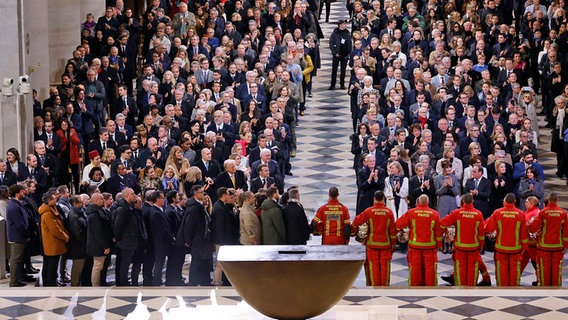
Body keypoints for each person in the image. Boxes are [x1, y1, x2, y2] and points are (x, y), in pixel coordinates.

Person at [351, 191, 397, 286]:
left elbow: (356, 221)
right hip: (386, 245)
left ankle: (374, 289)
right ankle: (384, 288)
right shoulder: (389, 212)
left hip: (372, 246)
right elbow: (392, 232)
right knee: (385, 268)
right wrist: (393, 245)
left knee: (373, 268)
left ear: (374, 199)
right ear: (383, 199)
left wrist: (355, 232)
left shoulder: (368, 211)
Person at [395, 195, 442, 286]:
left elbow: (397, 225)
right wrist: (439, 245)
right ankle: (430, 291)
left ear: (418, 202)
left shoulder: (411, 213)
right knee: (430, 271)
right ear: (428, 203)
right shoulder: (435, 214)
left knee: (415, 271)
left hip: (415, 248)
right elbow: (438, 233)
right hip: (430, 248)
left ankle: (414, 291)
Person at [484, 193, 529, 286]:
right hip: (516, 249)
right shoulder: (521, 214)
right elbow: (524, 233)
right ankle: (513, 289)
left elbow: (488, 228)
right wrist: (525, 247)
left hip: (501, 248)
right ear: (515, 201)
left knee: (502, 270)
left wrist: (487, 221)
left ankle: (502, 289)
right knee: (515, 271)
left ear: (504, 201)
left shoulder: (497, 212)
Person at [440, 194, 485, 286]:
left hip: (460, 248)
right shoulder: (478, 214)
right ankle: (471, 292)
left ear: (463, 201)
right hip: (473, 248)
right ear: (473, 201)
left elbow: (442, 223)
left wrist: (447, 233)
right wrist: (480, 246)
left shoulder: (457, 213)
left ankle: (460, 291)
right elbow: (481, 234)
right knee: (472, 270)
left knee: (460, 270)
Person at [527, 193, 568, 286]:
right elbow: (566, 232)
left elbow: (532, 228)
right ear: (557, 200)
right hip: (558, 246)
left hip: (544, 247)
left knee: (544, 269)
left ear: (548, 200)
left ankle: (545, 290)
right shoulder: (563, 213)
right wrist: (566, 246)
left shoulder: (543, 213)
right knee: (556, 270)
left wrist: (529, 225)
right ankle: (556, 289)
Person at [179, 185, 213, 286]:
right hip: (197, 239)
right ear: (195, 194)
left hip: (202, 238)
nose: (203, 194)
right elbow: (189, 226)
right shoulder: (194, 207)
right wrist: (188, 241)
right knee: (196, 261)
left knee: (202, 260)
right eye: (201, 192)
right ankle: (194, 281)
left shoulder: (199, 205)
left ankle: (203, 280)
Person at [113, 188, 145, 286]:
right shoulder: (122, 209)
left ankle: (123, 282)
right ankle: (123, 283)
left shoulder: (128, 207)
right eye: (132, 194)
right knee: (124, 265)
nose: (134, 195)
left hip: (129, 240)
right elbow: (118, 226)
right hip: (125, 241)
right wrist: (118, 238)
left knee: (125, 264)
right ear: (127, 196)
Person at [39, 190, 69, 287]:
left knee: (50, 263)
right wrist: (65, 237)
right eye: (53, 198)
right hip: (52, 243)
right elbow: (55, 229)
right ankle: (50, 283)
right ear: (49, 200)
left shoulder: (51, 210)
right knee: (51, 264)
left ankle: (51, 281)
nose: (56, 199)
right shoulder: (48, 213)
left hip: (52, 243)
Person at [211, 187, 238, 286]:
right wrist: (223, 243)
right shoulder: (219, 208)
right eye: (227, 194)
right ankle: (217, 282)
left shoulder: (222, 206)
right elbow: (219, 227)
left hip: (224, 240)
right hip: (221, 241)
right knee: (220, 264)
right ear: (223, 195)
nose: (229, 196)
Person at [6, 184, 31, 287]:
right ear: (17, 194)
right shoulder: (13, 206)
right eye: (22, 191)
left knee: (17, 258)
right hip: (17, 236)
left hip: (19, 235)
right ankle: (14, 281)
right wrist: (27, 233)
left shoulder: (16, 204)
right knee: (15, 259)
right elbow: (19, 224)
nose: (24, 192)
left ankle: (17, 278)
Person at [85, 193, 113, 287]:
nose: (103, 200)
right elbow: (98, 232)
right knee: (98, 266)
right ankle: (95, 286)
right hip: (97, 245)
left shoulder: (100, 210)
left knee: (101, 266)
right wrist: (105, 246)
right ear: (96, 201)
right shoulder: (94, 215)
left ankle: (101, 282)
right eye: (101, 199)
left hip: (102, 244)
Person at [66, 196, 88, 287]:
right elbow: (77, 233)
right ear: (74, 204)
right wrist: (85, 242)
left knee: (81, 267)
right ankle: (74, 285)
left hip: (81, 246)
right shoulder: (73, 215)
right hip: (77, 246)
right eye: (80, 202)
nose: (82, 203)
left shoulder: (80, 212)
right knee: (77, 268)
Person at [328, 20, 351, 90]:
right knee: (334, 70)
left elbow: (349, 43)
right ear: (339, 25)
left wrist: (349, 52)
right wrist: (335, 52)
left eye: (344, 24)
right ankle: (332, 84)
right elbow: (331, 43)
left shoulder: (347, 33)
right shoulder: (335, 33)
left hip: (345, 54)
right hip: (337, 54)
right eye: (342, 24)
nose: (344, 25)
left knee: (343, 70)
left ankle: (342, 84)